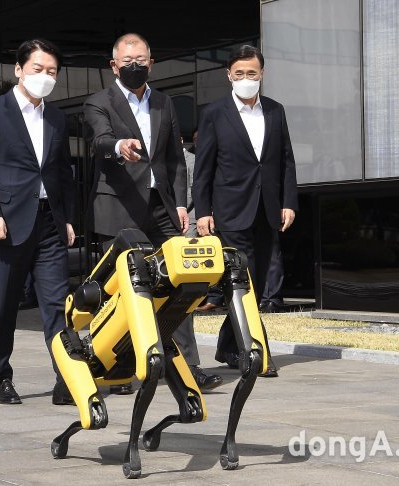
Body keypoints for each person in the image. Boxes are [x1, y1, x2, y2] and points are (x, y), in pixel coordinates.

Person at [83, 33, 222, 394]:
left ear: (151, 62)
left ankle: (189, 367)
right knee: (118, 291)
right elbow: (99, 141)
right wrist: (119, 145)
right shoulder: (99, 102)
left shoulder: (164, 103)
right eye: (127, 60)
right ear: (114, 65)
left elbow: (175, 159)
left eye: (141, 59)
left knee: (181, 282)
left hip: (161, 207)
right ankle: (116, 367)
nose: (134, 65)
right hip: (118, 205)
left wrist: (179, 202)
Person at [0, 38, 75, 405]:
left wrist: (67, 218)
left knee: (57, 304)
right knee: (3, 304)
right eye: (37, 69)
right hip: (8, 223)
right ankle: (0, 378)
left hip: (49, 223)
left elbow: (63, 171)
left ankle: (67, 377)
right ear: (18, 70)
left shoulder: (57, 116)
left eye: (51, 72)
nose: (44, 77)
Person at [193, 45, 299, 378]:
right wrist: (204, 211)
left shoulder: (275, 111)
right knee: (245, 283)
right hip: (230, 211)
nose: (245, 79)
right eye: (239, 73)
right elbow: (204, 167)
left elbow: (285, 160)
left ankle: (226, 346)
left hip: (267, 209)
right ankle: (254, 352)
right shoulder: (214, 112)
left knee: (256, 278)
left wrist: (289, 202)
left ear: (262, 74)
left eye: (251, 73)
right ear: (229, 76)